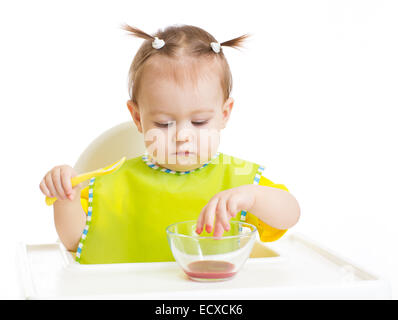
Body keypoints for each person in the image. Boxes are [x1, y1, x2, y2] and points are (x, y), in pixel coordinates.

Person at [39, 24, 300, 264]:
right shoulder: (117, 182)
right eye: (164, 124)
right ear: (138, 118)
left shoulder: (239, 180)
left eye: (199, 122)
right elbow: (75, 240)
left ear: (224, 114)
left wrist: (253, 197)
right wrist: (65, 196)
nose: (182, 136)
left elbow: (290, 214)